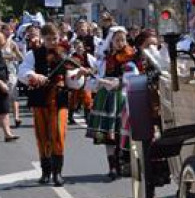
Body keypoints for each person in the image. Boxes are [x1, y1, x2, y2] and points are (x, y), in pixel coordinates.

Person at [18, 22, 85, 185]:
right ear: (42, 38)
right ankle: (46, 172)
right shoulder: (33, 54)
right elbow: (22, 71)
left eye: (54, 38)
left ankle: (57, 173)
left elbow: (71, 79)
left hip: (59, 98)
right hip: (40, 98)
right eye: (48, 39)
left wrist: (78, 75)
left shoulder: (64, 55)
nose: (52, 42)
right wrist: (34, 76)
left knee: (58, 134)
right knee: (42, 136)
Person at [86, 26, 136, 179]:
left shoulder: (130, 56)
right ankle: (112, 167)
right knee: (108, 135)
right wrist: (97, 80)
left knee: (123, 132)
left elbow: (133, 76)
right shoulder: (104, 58)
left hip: (122, 95)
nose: (121, 43)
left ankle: (123, 163)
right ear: (111, 41)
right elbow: (95, 75)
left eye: (123, 40)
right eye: (117, 40)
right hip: (106, 97)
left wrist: (119, 81)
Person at [1, 24, 23, 128]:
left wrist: (14, 56)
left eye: (10, 30)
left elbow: (20, 57)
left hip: (11, 72)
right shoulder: (1, 43)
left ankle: (16, 117)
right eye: (7, 30)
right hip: (1, 73)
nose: (9, 32)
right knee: (4, 96)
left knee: (14, 95)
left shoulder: (13, 44)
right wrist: (7, 56)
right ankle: (5, 119)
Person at [0, 30, 19, 142]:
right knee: (3, 109)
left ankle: (8, 134)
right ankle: (7, 133)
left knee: (4, 110)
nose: (3, 42)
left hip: (3, 82)